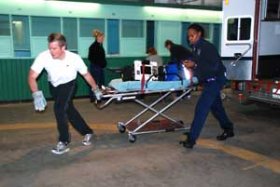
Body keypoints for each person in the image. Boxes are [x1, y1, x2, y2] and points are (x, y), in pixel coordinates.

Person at [28, 33, 102, 155]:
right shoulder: (43, 57)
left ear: (63, 47)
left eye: (54, 48)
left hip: (69, 84)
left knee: (59, 109)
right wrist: (35, 93)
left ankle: (64, 141)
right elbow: (31, 76)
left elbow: (86, 74)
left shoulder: (74, 58)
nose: (51, 51)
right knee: (69, 110)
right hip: (54, 86)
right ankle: (88, 131)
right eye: (50, 48)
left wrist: (95, 89)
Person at [181, 23, 234, 149]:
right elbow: (199, 65)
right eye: (188, 36)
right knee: (216, 108)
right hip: (209, 81)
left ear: (199, 34)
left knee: (201, 108)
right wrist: (193, 71)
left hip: (215, 80)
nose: (189, 38)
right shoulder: (196, 48)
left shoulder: (207, 47)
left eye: (192, 35)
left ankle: (191, 139)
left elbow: (213, 67)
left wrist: (193, 66)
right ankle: (228, 128)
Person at [88, 29, 107, 102]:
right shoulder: (93, 46)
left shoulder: (100, 46)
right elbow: (91, 58)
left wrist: (102, 63)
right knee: (95, 83)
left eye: (103, 38)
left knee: (101, 83)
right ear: (98, 37)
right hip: (95, 67)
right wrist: (100, 63)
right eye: (102, 37)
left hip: (99, 67)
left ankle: (99, 96)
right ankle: (94, 97)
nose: (103, 39)